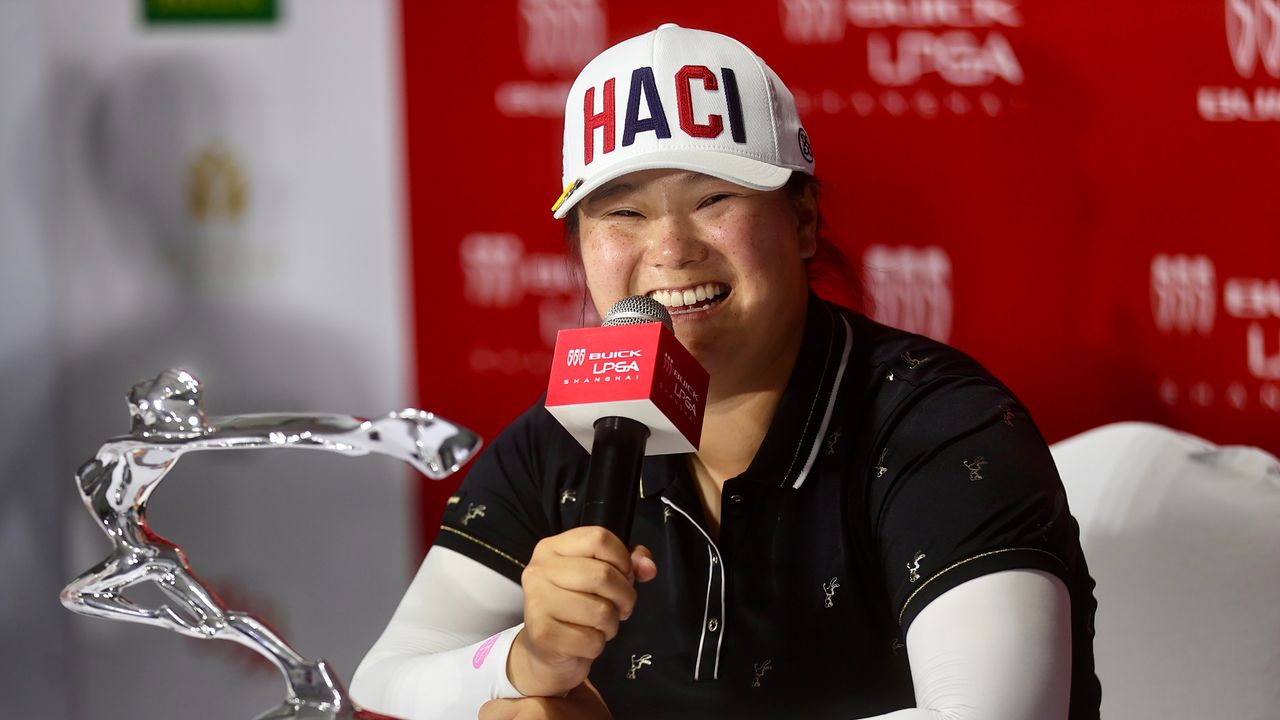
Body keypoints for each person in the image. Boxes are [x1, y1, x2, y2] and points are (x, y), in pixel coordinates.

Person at [351, 24, 1100, 720]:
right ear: (580, 244)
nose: (670, 250)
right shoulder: (565, 439)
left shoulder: (937, 424)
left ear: (802, 222)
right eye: (623, 213)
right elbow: (384, 679)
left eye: (714, 199)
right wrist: (524, 661)